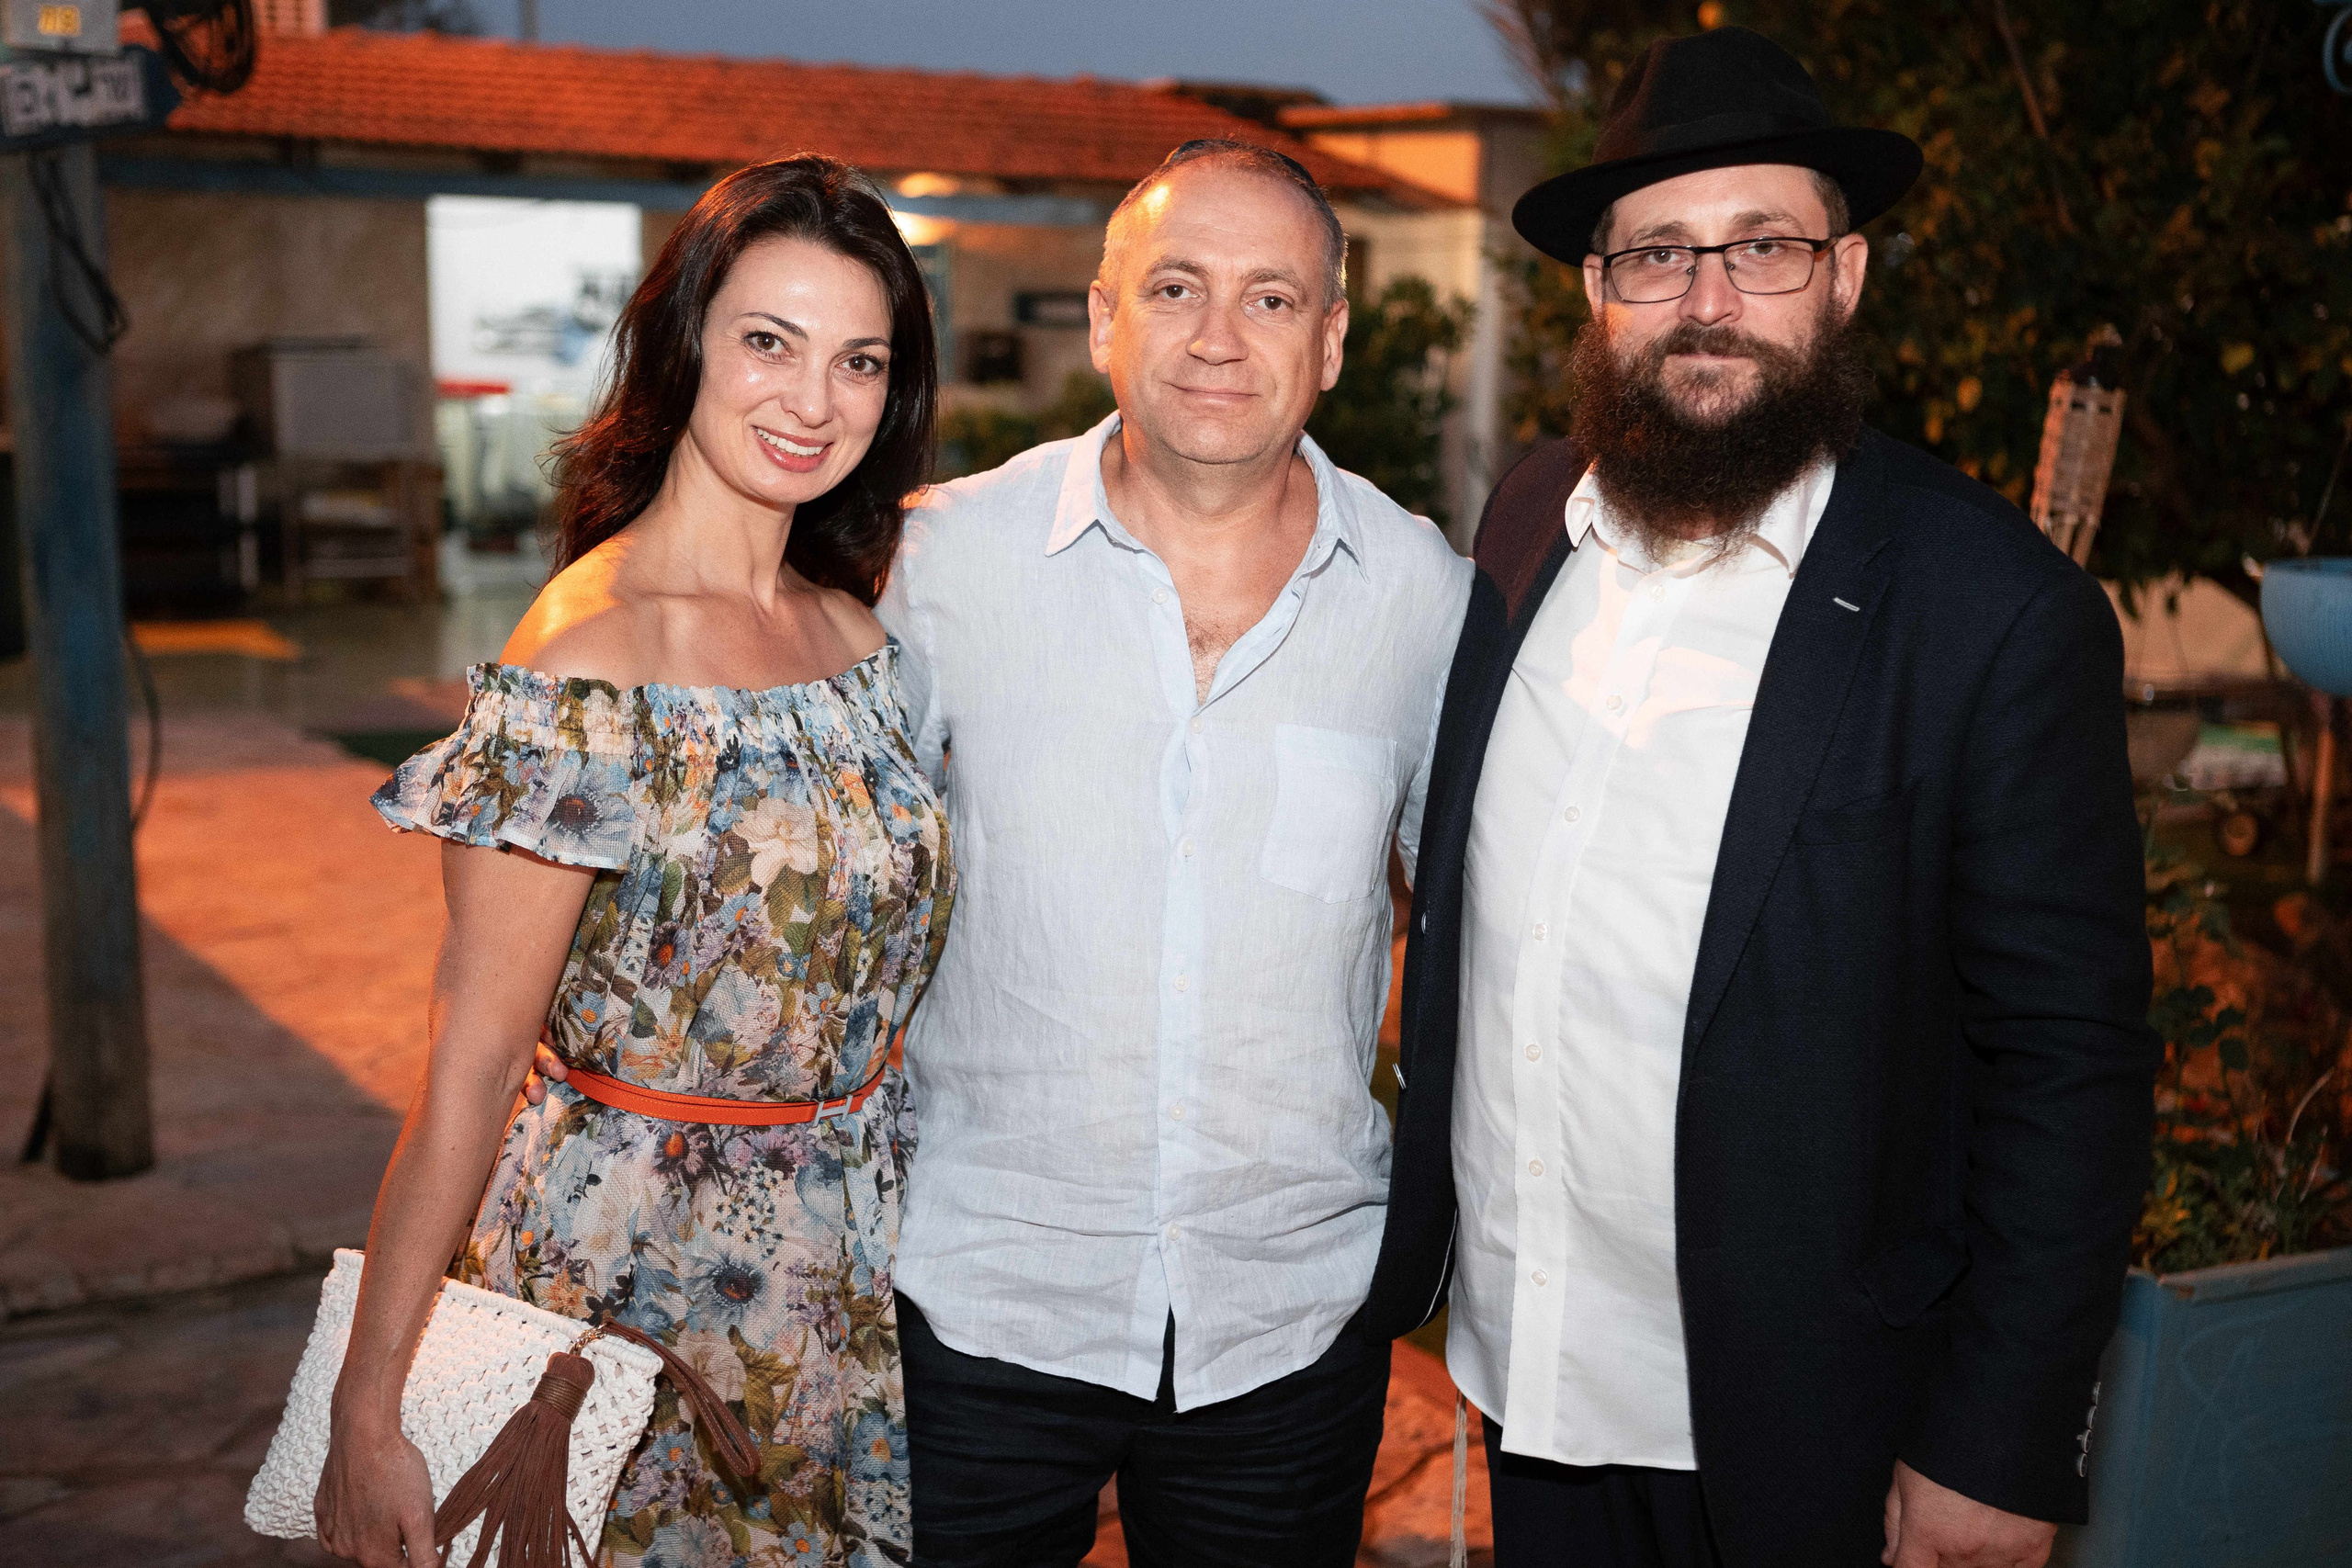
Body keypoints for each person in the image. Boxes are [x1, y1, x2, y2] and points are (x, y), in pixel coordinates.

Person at [1354, 28, 2158, 1568]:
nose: (1708, 301)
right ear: (1595, 292)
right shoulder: (1529, 518)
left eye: (1764, 247)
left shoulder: (1991, 609)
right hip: (1534, 1385)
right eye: (1658, 253)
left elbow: (2070, 1060)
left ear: (1845, 276)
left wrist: (1999, 1441)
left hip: (1816, 1435)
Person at [312, 155, 954, 1568]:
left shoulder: (855, 639)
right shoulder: (586, 663)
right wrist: (372, 1403)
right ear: (686, 346)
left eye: (861, 360)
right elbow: (472, 1063)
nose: (812, 399)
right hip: (624, 1290)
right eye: (768, 343)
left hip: (835, 1300)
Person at [871, 140, 1473, 1567]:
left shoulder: (1425, 601)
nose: (1218, 337)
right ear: (1103, 319)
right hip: (979, 1297)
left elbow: (1474, 922)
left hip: (1287, 1321)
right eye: (1178, 287)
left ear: (1330, 341)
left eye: (1272, 300)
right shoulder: (941, 565)